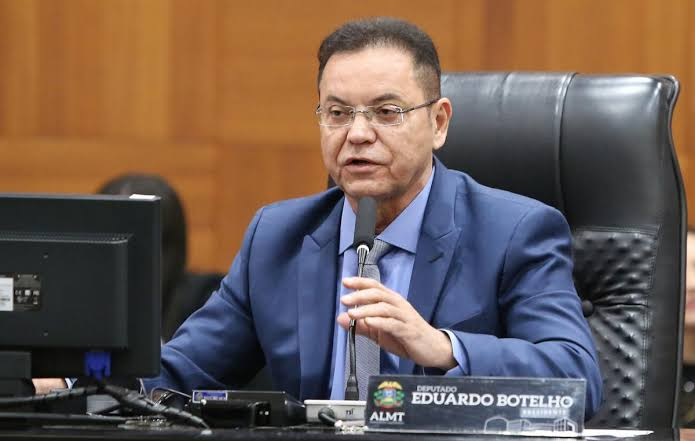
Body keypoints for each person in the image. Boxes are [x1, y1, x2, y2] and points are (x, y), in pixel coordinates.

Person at [144, 17, 602, 418]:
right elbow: (179, 372)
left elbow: (576, 379)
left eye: (386, 112)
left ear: (438, 123)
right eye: (338, 113)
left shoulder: (514, 233)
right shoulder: (278, 237)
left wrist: (444, 348)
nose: (358, 134)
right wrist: (99, 379)